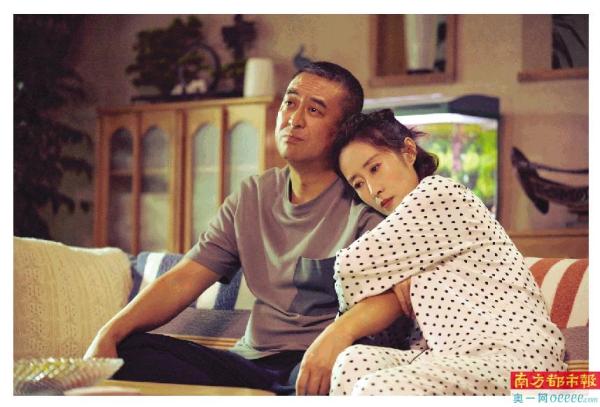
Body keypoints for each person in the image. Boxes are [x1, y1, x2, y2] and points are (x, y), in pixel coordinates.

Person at [84, 62, 385, 395]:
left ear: (342, 131)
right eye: (290, 102)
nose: (294, 119)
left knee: (350, 375)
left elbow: (391, 297)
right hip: (246, 365)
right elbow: (184, 278)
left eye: (314, 110)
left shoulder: (365, 202)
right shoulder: (252, 195)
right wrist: (109, 333)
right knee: (127, 350)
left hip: (318, 364)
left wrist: (336, 339)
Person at [322, 109, 566, 395]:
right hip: (449, 359)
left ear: (408, 151)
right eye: (358, 184)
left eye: (375, 168)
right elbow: (380, 327)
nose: (373, 190)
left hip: (516, 359)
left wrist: (386, 280)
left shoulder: (440, 194)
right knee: (352, 362)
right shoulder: (405, 247)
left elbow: (349, 270)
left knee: (375, 387)